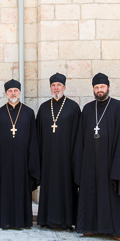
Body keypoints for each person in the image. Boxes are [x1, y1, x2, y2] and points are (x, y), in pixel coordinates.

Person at [74, 73, 120, 240]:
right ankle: (90, 227)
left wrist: (119, 165)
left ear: (108, 87)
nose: (99, 90)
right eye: (96, 87)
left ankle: (116, 230)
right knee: (91, 193)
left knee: (112, 195)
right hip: (91, 163)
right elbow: (80, 137)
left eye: (102, 87)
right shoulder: (88, 109)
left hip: (111, 162)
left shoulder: (118, 107)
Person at [0, 79, 40, 229]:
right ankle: (3, 220)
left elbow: (33, 139)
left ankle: (22, 221)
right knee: (4, 190)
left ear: (19, 92)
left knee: (22, 190)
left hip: (23, 162)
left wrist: (32, 163)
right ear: (6, 93)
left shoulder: (28, 113)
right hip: (4, 162)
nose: (13, 93)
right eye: (10, 91)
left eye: (15, 91)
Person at [36, 73, 82, 231]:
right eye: (53, 85)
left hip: (66, 158)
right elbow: (37, 134)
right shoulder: (43, 108)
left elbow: (78, 135)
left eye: (59, 85)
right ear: (50, 88)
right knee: (49, 188)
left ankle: (68, 222)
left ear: (64, 87)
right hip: (47, 157)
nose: (56, 88)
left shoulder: (73, 107)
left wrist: (75, 158)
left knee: (66, 189)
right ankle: (45, 220)